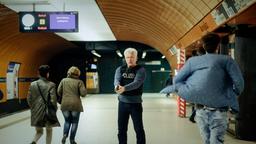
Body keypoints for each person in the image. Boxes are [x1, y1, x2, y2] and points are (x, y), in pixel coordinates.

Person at [160, 33, 244, 144]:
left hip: (200, 111)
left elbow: (177, 80)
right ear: (218, 46)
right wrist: (232, 94)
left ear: (203, 46)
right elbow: (239, 82)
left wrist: (188, 87)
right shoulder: (226, 60)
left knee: (206, 140)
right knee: (216, 141)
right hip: (220, 111)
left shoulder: (192, 61)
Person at [114, 48, 146, 144]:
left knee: (139, 129)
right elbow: (116, 80)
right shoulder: (120, 69)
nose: (130, 59)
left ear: (136, 58)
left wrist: (124, 88)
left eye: (132, 57)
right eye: (127, 57)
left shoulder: (141, 70)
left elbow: (137, 83)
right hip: (122, 104)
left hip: (135, 104)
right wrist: (117, 86)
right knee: (121, 129)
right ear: (125, 58)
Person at [27, 65, 60, 144]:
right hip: (47, 112)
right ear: (47, 74)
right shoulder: (51, 85)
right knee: (49, 130)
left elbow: (29, 99)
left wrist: (33, 108)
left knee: (39, 131)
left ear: (38, 73)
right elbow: (53, 100)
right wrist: (54, 110)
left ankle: (34, 141)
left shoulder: (32, 84)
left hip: (36, 111)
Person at [57, 66, 86, 144]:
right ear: (78, 73)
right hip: (75, 105)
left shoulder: (63, 80)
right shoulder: (79, 82)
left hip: (65, 104)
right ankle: (72, 140)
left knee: (67, 121)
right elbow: (83, 94)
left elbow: (59, 92)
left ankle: (65, 135)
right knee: (74, 122)